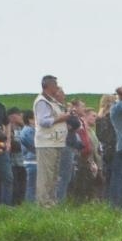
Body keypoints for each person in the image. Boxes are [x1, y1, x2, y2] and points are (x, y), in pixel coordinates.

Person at [33, 75, 71, 207]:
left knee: (54, 175)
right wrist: (61, 118)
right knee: (46, 175)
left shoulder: (53, 102)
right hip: (46, 143)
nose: (57, 87)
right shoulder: (42, 102)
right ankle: (43, 203)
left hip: (55, 142)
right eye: (55, 85)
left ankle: (51, 201)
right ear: (48, 86)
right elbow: (43, 121)